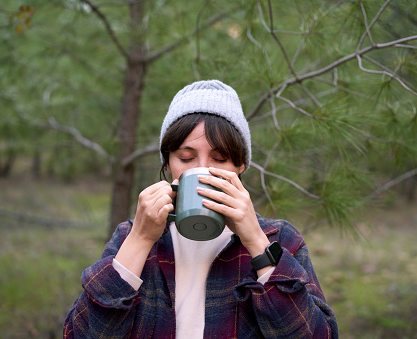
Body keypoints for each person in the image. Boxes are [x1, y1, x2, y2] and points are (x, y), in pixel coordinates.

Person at [63, 80, 338, 338]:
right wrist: (140, 239)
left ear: (240, 166)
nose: (202, 170)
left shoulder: (279, 239)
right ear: (169, 164)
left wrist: (255, 241)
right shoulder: (132, 237)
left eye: (220, 158)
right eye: (186, 157)